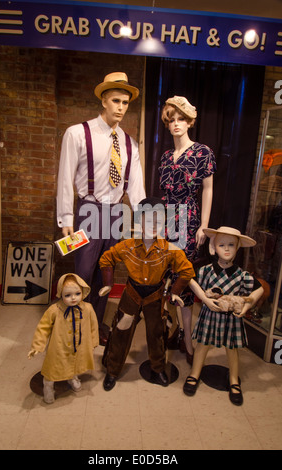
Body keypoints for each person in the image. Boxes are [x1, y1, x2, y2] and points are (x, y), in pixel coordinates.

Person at [57, 72, 146, 345]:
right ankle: (74, 326)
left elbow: (136, 186)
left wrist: (142, 221)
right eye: (116, 100)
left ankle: (95, 325)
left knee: (106, 272)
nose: (121, 107)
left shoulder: (129, 143)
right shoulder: (77, 134)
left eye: (126, 102)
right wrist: (66, 218)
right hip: (89, 210)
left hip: (117, 213)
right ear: (104, 100)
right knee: (83, 273)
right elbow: (65, 177)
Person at [98, 197, 195, 391]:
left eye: (158, 221)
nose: (153, 225)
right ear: (139, 221)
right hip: (131, 294)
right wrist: (108, 283)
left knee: (157, 333)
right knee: (121, 332)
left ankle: (158, 368)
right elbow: (106, 259)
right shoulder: (127, 246)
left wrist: (175, 292)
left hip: (155, 297)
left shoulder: (169, 250)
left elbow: (187, 271)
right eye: (148, 220)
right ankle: (112, 370)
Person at [159, 95, 216, 364]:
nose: (176, 124)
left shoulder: (202, 152)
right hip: (165, 220)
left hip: (188, 218)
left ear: (190, 121)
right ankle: (177, 331)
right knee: (165, 278)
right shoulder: (166, 156)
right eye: (172, 119)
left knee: (183, 279)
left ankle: (188, 341)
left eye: (181, 118)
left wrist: (204, 225)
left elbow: (208, 189)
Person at [183, 227, 264, 406]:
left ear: (237, 248)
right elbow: (190, 279)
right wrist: (205, 299)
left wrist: (246, 306)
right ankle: (195, 373)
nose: (226, 249)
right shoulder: (206, 270)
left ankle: (234, 379)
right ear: (214, 247)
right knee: (202, 345)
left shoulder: (242, 275)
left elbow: (260, 289)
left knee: (232, 349)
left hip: (231, 318)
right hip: (209, 314)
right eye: (221, 244)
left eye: (231, 245)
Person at [28, 273, 99, 404]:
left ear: (82, 291)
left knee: (75, 363)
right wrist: (37, 346)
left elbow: (93, 326)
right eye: (67, 295)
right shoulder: (54, 310)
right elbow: (43, 328)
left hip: (78, 345)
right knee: (53, 367)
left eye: (77, 293)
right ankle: (48, 387)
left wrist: (93, 342)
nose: (73, 298)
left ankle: (72, 378)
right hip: (58, 346)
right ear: (60, 293)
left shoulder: (88, 309)